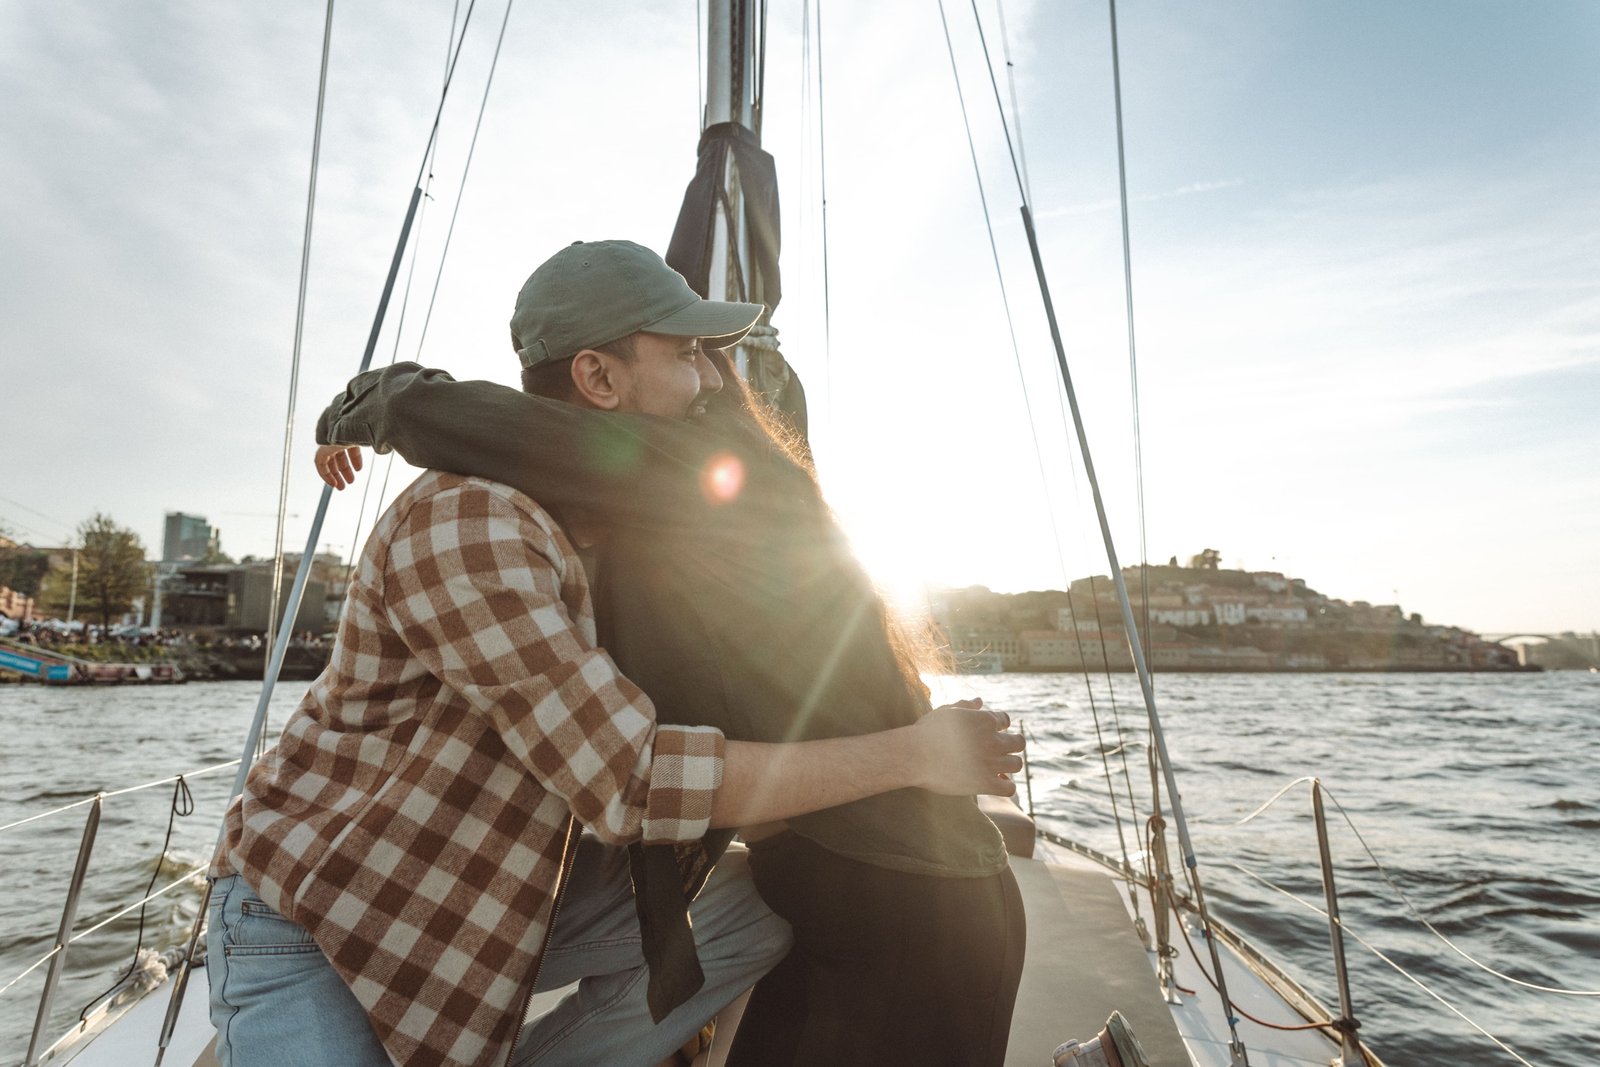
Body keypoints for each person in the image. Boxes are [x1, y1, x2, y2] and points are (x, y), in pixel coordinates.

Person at [207, 238, 1025, 1067]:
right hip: (320, 912)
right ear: (599, 379)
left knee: (755, 913)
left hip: (481, 889)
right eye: (686, 355)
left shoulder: (622, 522)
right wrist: (912, 756)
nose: (710, 381)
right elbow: (629, 777)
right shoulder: (470, 522)